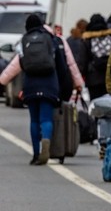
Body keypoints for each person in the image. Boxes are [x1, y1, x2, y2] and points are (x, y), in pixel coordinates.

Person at [0, 14, 83, 165]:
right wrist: (68, 85)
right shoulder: (52, 40)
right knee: (46, 118)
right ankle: (46, 141)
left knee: (34, 120)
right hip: (49, 84)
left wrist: (2, 80)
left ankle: (36, 154)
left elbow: (17, 64)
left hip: (31, 84)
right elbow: (63, 66)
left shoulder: (25, 42)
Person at [80, 14, 111, 100]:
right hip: (109, 78)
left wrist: (82, 76)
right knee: (109, 106)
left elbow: (83, 61)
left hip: (93, 79)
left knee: (96, 106)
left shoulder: (87, 40)